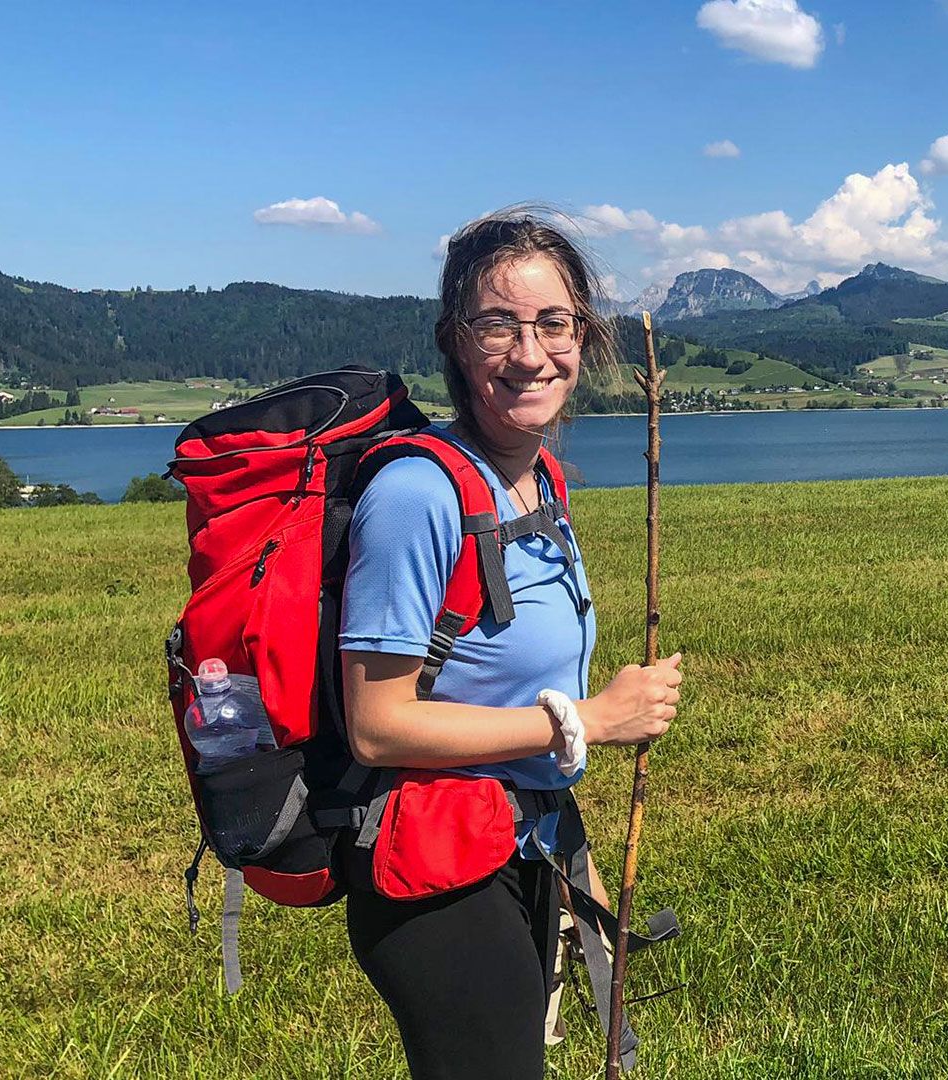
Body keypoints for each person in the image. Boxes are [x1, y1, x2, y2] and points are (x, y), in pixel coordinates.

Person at [338, 207, 682, 1079]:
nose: (531, 354)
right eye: (498, 325)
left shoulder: (537, 480)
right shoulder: (417, 495)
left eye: (553, 323)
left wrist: (573, 855)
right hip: (436, 869)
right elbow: (377, 725)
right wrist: (590, 722)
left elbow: (503, 695)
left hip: (519, 844)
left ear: (583, 337)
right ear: (455, 344)